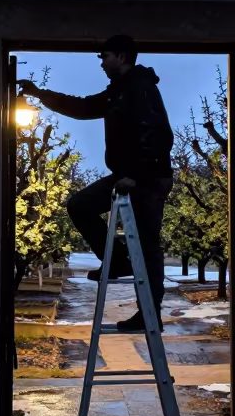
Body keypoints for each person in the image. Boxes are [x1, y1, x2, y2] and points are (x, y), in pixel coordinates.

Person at [18, 35, 174, 332]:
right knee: (80, 206)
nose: (101, 63)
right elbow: (85, 108)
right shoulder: (120, 91)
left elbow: (160, 136)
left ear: (122, 56)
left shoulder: (140, 88)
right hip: (131, 175)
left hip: (147, 178)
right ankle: (115, 260)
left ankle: (149, 315)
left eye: (105, 56)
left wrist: (136, 175)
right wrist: (40, 94)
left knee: (146, 246)